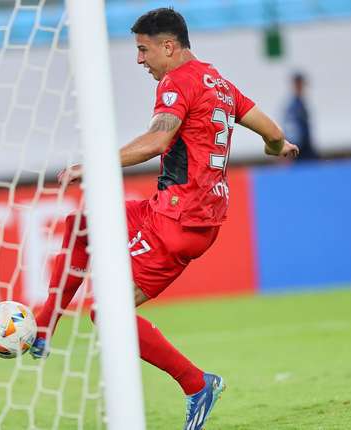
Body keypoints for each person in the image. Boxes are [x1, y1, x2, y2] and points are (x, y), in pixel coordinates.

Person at [30, 7, 298, 429]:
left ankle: (197, 384)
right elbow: (270, 129)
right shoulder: (218, 81)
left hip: (179, 221)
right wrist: (277, 146)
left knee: (107, 310)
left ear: (168, 46)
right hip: (181, 213)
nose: (140, 60)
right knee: (84, 224)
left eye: (143, 49)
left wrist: (93, 163)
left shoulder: (177, 82)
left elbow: (158, 140)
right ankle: (45, 324)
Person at [283, 72, 317, 160]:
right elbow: (291, 130)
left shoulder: (300, 103)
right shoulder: (294, 106)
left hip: (305, 148)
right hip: (300, 151)